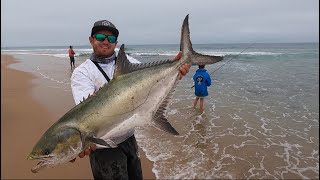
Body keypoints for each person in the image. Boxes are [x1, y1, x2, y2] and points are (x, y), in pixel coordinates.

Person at [69, 19, 191, 179]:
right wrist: (77, 143)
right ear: (91, 39)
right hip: (103, 148)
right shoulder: (82, 72)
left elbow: (153, 82)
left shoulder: (129, 64)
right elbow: (87, 114)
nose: (106, 41)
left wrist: (176, 72)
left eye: (111, 39)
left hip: (128, 138)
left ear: (116, 43)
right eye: (100, 37)